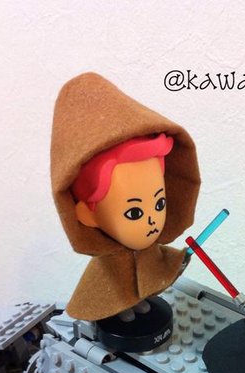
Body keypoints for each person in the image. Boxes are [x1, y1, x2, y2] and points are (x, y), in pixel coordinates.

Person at [50, 72, 200, 323]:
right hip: (109, 307)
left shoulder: (147, 245)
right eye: (134, 213)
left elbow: (156, 265)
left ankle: (134, 303)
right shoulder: (106, 261)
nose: (152, 221)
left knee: (137, 299)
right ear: (87, 214)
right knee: (113, 294)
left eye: (160, 203)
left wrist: (178, 261)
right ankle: (120, 309)